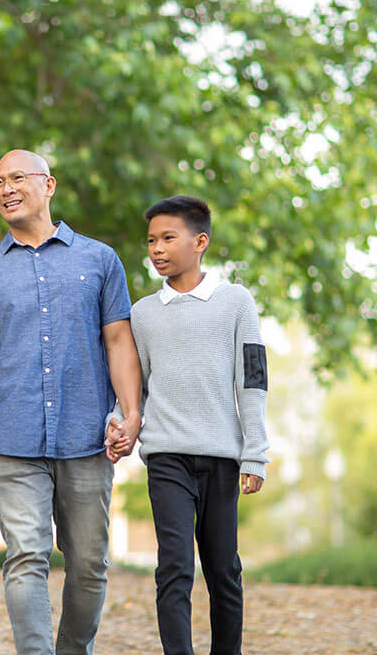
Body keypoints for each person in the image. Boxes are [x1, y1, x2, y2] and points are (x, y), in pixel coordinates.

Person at [0, 149, 142, 655]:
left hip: (86, 435)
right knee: (26, 555)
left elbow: (119, 342)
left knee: (88, 562)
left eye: (17, 178)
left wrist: (132, 414)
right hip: (12, 436)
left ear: (49, 184)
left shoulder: (99, 260)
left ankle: (72, 649)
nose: (6, 189)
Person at [123, 195, 270, 655]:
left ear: (200, 241)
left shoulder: (235, 301)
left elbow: (253, 378)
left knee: (224, 569)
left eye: (168, 238)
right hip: (166, 455)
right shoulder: (143, 313)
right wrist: (120, 422)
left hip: (223, 457)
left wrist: (255, 453)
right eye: (151, 240)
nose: (157, 249)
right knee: (174, 565)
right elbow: (135, 387)